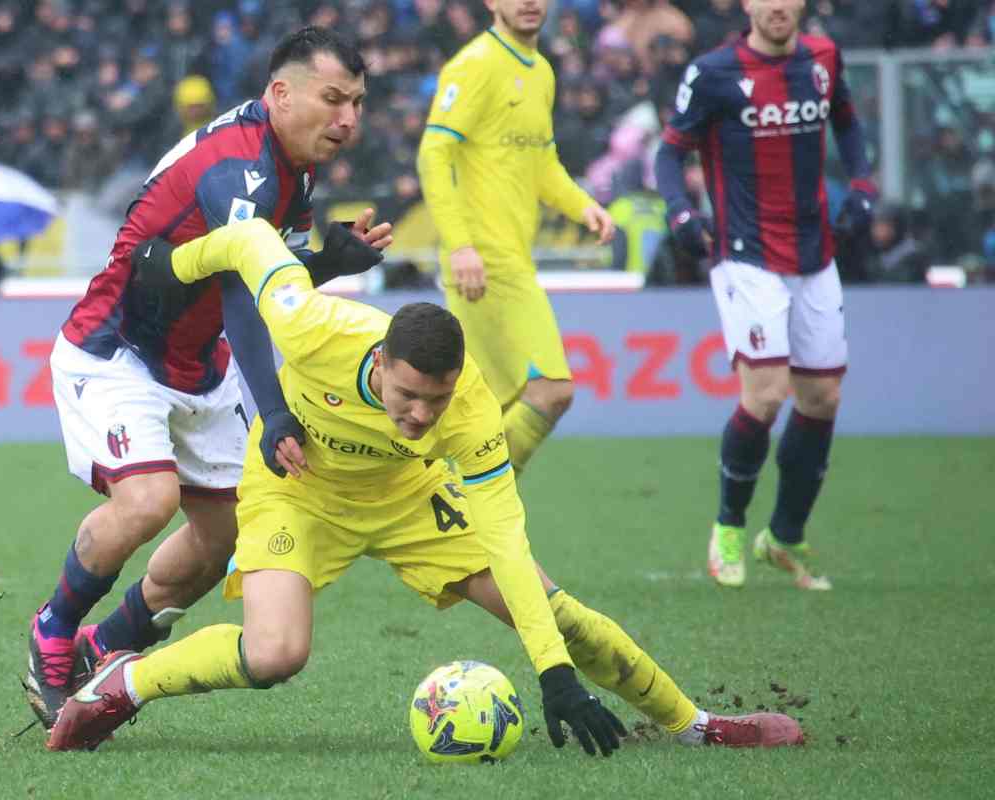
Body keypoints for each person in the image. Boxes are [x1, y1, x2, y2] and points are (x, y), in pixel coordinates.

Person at [44, 218, 805, 754]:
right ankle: (125, 682)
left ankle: (697, 724)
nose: (420, 413)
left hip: (409, 499)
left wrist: (554, 675)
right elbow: (250, 242)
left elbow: (506, 539)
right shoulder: (315, 326)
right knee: (275, 654)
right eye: (409, 396)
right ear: (379, 364)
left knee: (555, 612)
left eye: (434, 401)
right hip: (298, 490)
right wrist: (176, 265)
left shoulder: (466, 412)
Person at [23, 27, 393, 731]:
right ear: (281, 94)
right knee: (148, 499)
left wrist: (328, 262)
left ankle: (109, 644)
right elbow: (245, 294)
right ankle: (56, 627)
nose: (349, 119)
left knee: (223, 533)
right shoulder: (240, 168)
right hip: (116, 349)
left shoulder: (292, 164)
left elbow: (273, 276)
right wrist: (276, 410)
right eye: (334, 99)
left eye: (358, 103)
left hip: (196, 364)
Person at [654, 0, 876, 590]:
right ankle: (728, 526)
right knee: (768, 392)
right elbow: (669, 152)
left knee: (822, 396)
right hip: (745, 255)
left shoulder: (824, 58)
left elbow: (848, 122)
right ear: (747, 5)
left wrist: (862, 183)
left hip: (814, 252)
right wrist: (679, 211)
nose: (777, 6)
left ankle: (782, 534)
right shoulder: (714, 72)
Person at [416, 0, 616, 473]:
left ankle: (456, 516)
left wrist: (582, 205)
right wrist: (461, 244)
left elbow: (543, 163)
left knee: (490, 409)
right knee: (551, 390)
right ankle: (461, 502)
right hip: (483, 260)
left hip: (510, 258)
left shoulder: (542, 72)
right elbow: (433, 154)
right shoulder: (475, 64)